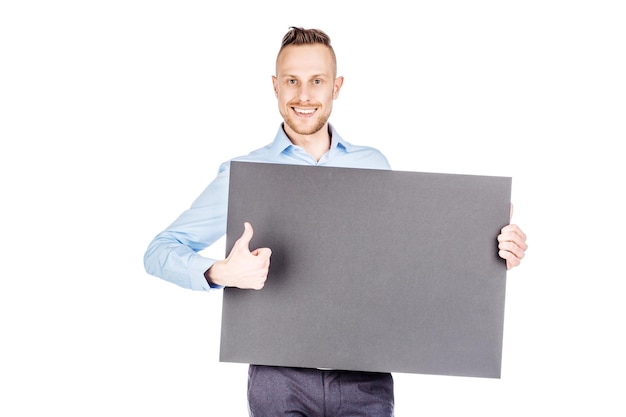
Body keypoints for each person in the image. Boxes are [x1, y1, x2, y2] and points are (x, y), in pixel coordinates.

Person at [144, 26, 528, 417]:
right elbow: (159, 251)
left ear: (336, 87)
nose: (304, 95)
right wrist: (220, 271)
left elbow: (410, 263)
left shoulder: (373, 165)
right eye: (292, 81)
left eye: (317, 81)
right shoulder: (245, 172)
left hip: (365, 374)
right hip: (278, 376)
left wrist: (492, 253)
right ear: (275, 86)